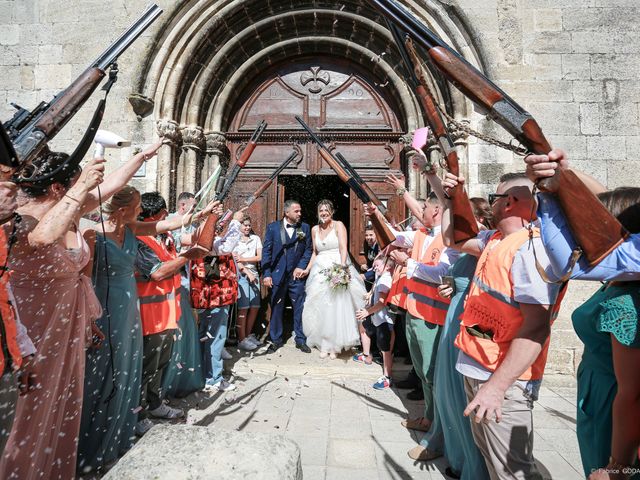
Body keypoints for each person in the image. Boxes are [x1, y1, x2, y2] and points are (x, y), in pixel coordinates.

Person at [0, 142, 161, 480]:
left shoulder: (68, 208)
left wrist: (141, 156)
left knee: (62, 403)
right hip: (34, 327)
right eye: (75, 184)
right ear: (60, 187)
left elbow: (112, 185)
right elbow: (43, 238)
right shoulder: (23, 219)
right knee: (31, 410)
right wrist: (83, 186)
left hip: (67, 324)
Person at [78, 185, 213, 469]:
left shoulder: (131, 230)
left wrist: (200, 214)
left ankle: (122, 429)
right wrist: (89, 318)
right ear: (123, 209)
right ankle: (97, 434)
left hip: (131, 310)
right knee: (105, 371)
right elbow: (85, 281)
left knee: (129, 368)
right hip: (105, 306)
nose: (141, 211)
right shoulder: (93, 234)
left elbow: (165, 223)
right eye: (138, 206)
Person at [441, 171, 564, 480]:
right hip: (480, 370)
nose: (491, 204)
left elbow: (537, 328)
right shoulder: (497, 240)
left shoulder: (530, 250)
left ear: (508, 203)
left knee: (513, 471)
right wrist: (450, 195)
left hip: (502, 382)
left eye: (493, 198)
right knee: (494, 463)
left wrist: (496, 388)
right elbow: (453, 238)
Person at [416, 197, 493, 479]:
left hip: (467, 323)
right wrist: (449, 285)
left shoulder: (484, 248)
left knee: (462, 394)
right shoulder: (465, 250)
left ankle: (474, 466)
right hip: (454, 322)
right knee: (448, 393)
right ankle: (458, 457)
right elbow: (454, 274)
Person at [566, 188, 640, 479]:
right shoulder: (619, 279)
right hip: (597, 395)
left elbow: (632, 393)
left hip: (611, 410)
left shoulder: (626, 302)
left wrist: (618, 465)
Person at [134, 192, 221, 435]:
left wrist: (212, 220)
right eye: (162, 213)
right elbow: (157, 273)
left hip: (168, 312)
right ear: (151, 215)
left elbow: (195, 239)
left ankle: (155, 403)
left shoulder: (166, 237)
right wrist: (186, 258)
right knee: (146, 367)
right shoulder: (141, 238)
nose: (166, 216)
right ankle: (139, 415)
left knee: (160, 364)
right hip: (148, 315)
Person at [302, 199, 366, 358]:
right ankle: (324, 342)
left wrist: (342, 267)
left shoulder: (339, 225)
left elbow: (343, 247)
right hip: (319, 271)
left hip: (336, 266)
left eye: (326, 210)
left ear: (332, 212)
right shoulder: (314, 229)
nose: (323, 213)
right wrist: (307, 269)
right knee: (319, 307)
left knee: (335, 307)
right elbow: (315, 253)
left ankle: (335, 345)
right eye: (321, 210)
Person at [190, 210, 244, 392]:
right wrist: (235, 222)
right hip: (217, 294)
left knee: (206, 335)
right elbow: (225, 247)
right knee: (216, 336)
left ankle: (202, 374)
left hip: (205, 293)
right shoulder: (204, 239)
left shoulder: (196, 236)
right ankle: (213, 378)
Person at [261, 199, 313, 354]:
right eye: (296, 211)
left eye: (300, 211)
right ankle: (276, 340)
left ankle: (300, 339)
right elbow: (266, 252)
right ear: (287, 212)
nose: (300, 213)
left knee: (300, 308)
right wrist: (267, 274)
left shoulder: (303, 228)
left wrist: (301, 266)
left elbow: (307, 250)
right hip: (277, 275)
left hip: (296, 277)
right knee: (277, 307)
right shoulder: (273, 228)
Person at [354, 255, 395, 389]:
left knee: (385, 349)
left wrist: (367, 312)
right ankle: (367, 355)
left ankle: (387, 377)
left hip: (384, 319)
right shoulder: (381, 277)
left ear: (387, 266)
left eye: (377, 265)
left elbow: (382, 303)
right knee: (367, 329)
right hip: (377, 318)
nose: (375, 268)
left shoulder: (385, 280)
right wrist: (370, 295)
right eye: (374, 265)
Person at [233, 214, 263, 351]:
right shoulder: (234, 240)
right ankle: (241, 339)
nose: (247, 227)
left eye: (249, 225)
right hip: (241, 274)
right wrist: (244, 267)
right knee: (243, 307)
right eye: (244, 225)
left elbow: (259, 257)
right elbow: (234, 260)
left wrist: (243, 258)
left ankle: (248, 335)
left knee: (255, 306)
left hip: (254, 273)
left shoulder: (255, 239)